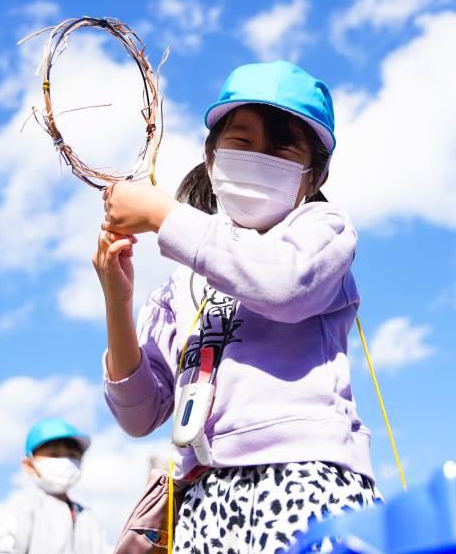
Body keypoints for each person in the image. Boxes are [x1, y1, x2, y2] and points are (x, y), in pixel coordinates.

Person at [95, 60, 378, 552]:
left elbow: (281, 283)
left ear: (315, 175)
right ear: (211, 157)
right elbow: (140, 414)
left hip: (305, 476)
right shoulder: (183, 278)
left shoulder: (321, 230)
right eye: (242, 142)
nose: (260, 157)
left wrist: (162, 214)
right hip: (202, 497)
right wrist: (117, 303)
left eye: (282, 147)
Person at [0, 417, 107, 554]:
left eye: (71, 455)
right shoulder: (24, 505)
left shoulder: (88, 518)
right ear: (30, 465)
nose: (65, 461)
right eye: (54, 455)